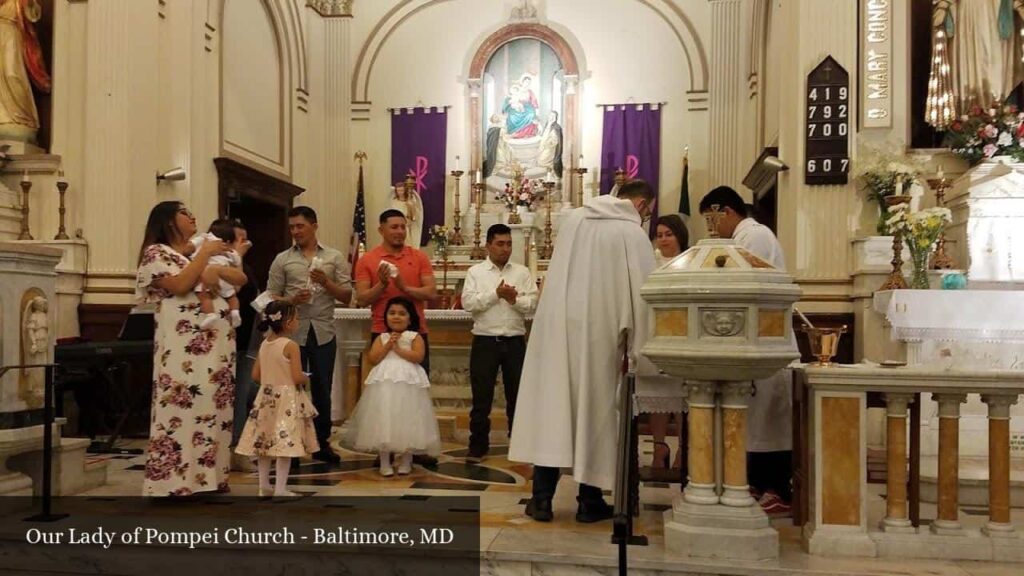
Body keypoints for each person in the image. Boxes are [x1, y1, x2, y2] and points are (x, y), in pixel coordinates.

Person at [509, 179, 665, 523]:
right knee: (595, 414)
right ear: (640, 205)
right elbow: (644, 297)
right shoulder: (631, 234)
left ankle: (543, 499)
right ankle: (589, 500)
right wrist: (642, 350)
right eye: (647, 212)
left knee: (555, 410)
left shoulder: (575, 219)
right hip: (601, 335)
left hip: (558, 328)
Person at [135, 201, 245, 496]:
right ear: (168, 221)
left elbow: (238, 279)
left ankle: (210, 480)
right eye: (184, 212)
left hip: (217, 346)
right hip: (185, 348)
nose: (193, 215)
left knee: (212, 408)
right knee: (185, 406)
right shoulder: (157, 252)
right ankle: (175, 482)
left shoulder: (194, 252)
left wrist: (220, 263)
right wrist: (206, 256)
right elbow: (181, 285)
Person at [699, 185, 791, 516]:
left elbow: (747, 283)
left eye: (712, 220)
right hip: (750, 337)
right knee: (755, 420)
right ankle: (754, 482)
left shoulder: (755, 236)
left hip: (764, 338)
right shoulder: (742, 238)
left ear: (725, 211)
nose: (712, 229)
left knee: (768, 420)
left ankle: (777, 490)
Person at [267, 206, 352, 464]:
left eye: (300, 226)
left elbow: (348, 296)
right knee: (290, 388)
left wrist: (326, 283)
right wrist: (291, 299)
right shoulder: (283, 259)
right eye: (292, 227)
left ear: (314, 225)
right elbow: (269, 298)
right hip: (291, 335)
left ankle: (321, 442)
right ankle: (289, 443)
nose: (295, 231)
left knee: (322, 388)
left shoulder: (334, 257)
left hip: (323, 332)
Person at [461, 224, 538, 463]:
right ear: (488, 245)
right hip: (485, 340)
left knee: (518, 396)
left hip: (514, 341)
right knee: (481, 396)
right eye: (500, 244)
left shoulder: (522, 272)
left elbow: (533, 303)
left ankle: (518, 444)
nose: (505, 249)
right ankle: (478, 445)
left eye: (509, 244)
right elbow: (468, 303)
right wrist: (496, 294)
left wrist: (514, 299)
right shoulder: (476, 272)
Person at [342, 297, 442, 476]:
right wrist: (388, 344)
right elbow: (373, 358)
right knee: (384, 418)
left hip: (408, 381)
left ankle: (406, 460)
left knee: (408, 417)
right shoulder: (382, 337)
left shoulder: (415, 337)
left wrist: (399, 349)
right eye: (392, 313)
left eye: (402, 314)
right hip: (385, 381)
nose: (396, 317)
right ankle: (384, 461)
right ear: (386, 316)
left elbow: (418, 356)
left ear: (410, 318)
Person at [234, 301, 318, 497]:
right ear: (287, 323)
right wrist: (306, 377)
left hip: (266, 397)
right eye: (296, 318)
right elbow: (297, 376)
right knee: (284, 444)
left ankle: (264, 486)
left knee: (265, 443)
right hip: (286, 399)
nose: (298, 321)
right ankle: (281, 488)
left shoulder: (265, 344)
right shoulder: (290, 345)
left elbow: (255, 375)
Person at [354, 209, 437, 374]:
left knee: (417, 383)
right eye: (394, 227)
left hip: (415, 331)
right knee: (384, 384)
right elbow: (362, 299)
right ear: (381, 230)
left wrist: (404, 287)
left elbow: (431, 292)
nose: (400, 231)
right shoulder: (367, 260)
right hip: (382, 330)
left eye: (402, 227)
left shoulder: (419, 257)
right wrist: (382, 285)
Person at [646, 214, 690, 470]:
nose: (663, 239)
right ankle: (659, 446)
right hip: (657, 332)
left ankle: (683, 450)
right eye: (659, 234)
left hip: (685, 334)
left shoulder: (693, 260)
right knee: (658, 394)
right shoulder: (650, 260)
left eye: (668, 234)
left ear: (679, 236)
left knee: (683, 395)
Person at [0, 0, 49, 142]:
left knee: (12, 74)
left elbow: (33, 15)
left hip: (11, 35)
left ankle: (22, 118)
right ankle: (3, 118)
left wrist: (30, 3)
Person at [190, 219, 248, 330]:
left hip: (227, 326)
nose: (242, 244)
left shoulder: (233, 259)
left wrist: (238, 256)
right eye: (238, 239)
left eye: (244, 240)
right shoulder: (202, 253)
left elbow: (238, 285)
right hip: (203, 324)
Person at [390, 180, 424, 248]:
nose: (400, 193)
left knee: (408, 245)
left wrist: (411, 207)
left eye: (402, 190)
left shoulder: (409, 202)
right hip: (396, 228)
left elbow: (413, 217)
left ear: (405, 190)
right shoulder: (393, 202)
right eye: (398, 191)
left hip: (406, 227)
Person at [536, 111, 563, 178]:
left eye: (552, 116)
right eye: (550, 116)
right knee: (539, 159)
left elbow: (555, 140)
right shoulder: (548, 124)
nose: (550, 117)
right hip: (543, 145)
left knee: (542, 161)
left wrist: (548, 143)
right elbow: (544, 133)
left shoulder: (556, 127)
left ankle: (551, 167)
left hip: (550, 148)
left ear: (555, 118)